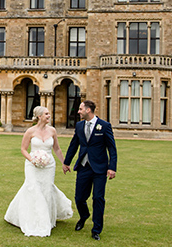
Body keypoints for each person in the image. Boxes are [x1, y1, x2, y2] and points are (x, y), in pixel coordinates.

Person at [5, 106, 73, 237]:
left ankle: (46, 219)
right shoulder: (30, 131)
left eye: (49, 114)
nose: (49, 116)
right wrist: (33, 159)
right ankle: (32, 219)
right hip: (32, 165)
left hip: (49, 166)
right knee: (33, 188)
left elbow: (57, 149)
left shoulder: (52, 131)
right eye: (46, 114)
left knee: (47, 190)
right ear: (39, 116)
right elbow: (23, 149)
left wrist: (64, 163)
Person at [63, 100, 117, 241]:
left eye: (80, 109)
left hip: (100, 169)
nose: (78, 111)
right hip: (83, 167)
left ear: (88, 110)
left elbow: (112, 148)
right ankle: (84, 216)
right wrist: (66, 162)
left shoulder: (104, 126)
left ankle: (96, 229)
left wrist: (112, 167)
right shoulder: (79, 125)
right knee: (79, 198)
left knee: (98, 198)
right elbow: (74, 144)